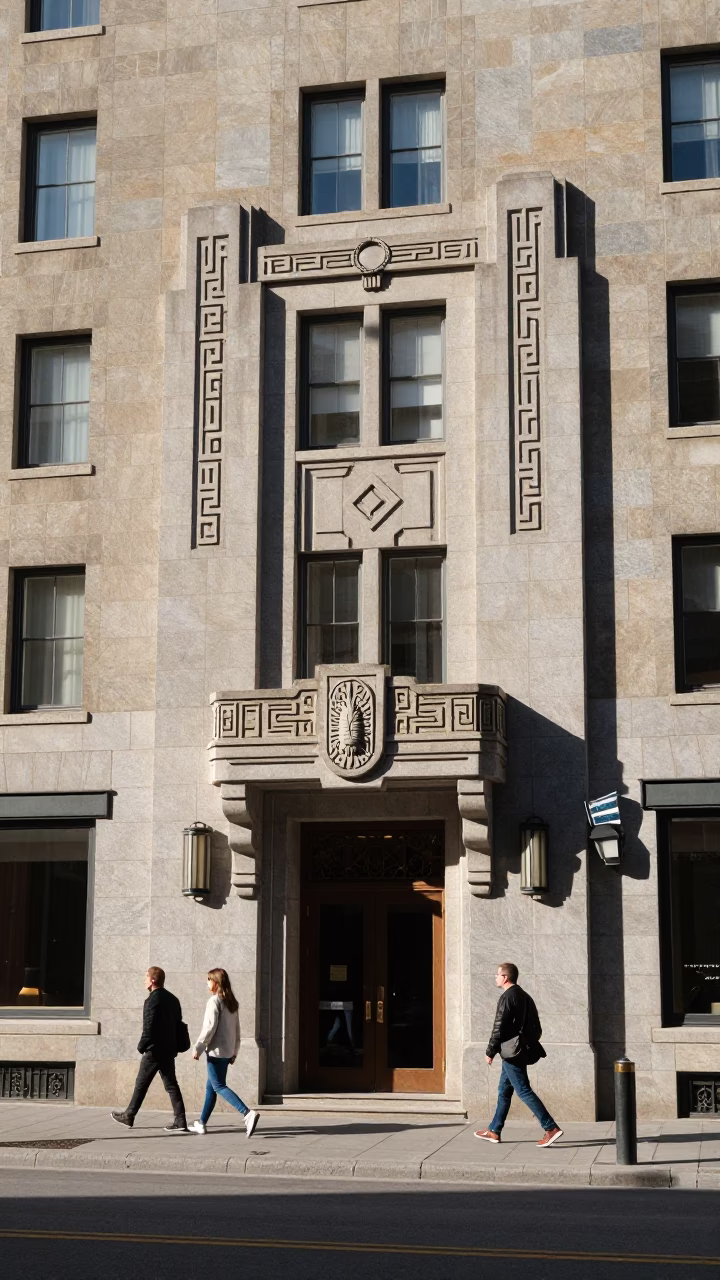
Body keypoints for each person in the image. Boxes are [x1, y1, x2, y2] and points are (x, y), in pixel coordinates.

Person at [475, 962, 563, 1148]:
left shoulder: (507, 997)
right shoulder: (525, 996)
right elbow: (537, 1028)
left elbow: (498, 1027)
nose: (495, 977)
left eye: (497, 975)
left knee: (523, 1090)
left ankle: (551, 1128)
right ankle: (494, 1130)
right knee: (504, 1091)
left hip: (511, 1053)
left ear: (505, 977)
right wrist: (524, 1042)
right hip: (519, 1050)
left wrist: (490, 1051)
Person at [111, 966, 188, 1132]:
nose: (143, 979)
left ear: (153, 980)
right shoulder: (173, 999)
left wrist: (141, 1046)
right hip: (169, 1050)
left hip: (154, 1050)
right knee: (171, 1085)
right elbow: (177, 1024)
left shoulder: (152, 1000)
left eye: (146, 976)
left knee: (141, 1084)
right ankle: (181, 1120)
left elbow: (149, 1028)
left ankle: (129, 1115)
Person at [191, 967, 259, 1139]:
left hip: (215, 1052)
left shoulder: (214, 1001)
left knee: (219, 1086)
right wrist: (235, 1051)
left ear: (216, 982)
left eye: (209, 979)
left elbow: (209, 1028)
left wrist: (198, 1047)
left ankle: (247, 1113)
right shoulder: (231, 1003)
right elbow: (237, 1031)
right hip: (227, 1052)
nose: (207, 983)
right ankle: (201, 1123)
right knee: (211, 1088)